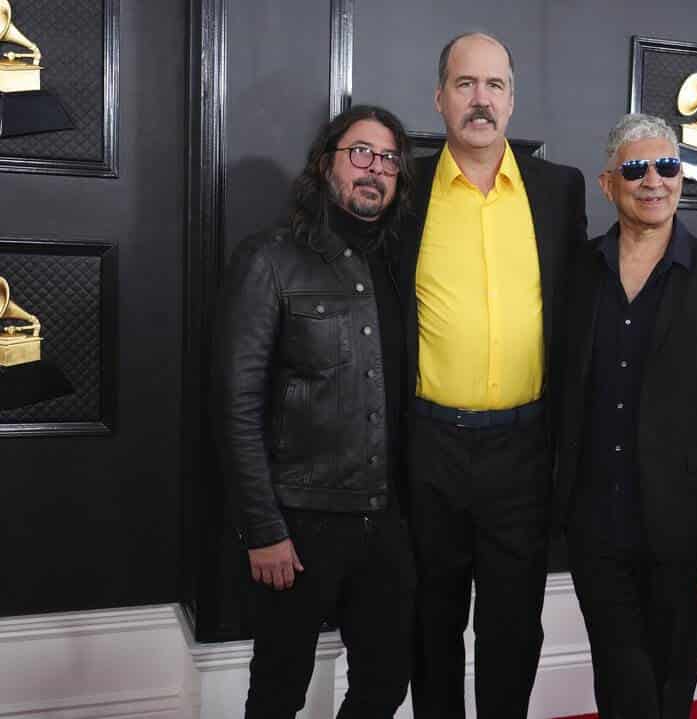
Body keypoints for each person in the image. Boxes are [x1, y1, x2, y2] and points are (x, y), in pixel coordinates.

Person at [395, 31, 587, 719]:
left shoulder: (557, 190)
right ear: (440, 97)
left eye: (495, 85)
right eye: (466, 84)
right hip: (427, 447)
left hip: (523, 450)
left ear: (513, 99)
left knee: (513, 626)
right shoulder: (404, 186)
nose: (481, 99)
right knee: (430, 622)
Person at [555, 113, 697, 718]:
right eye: (636, 168)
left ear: (682, 176)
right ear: (608, 183)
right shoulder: (578, 272)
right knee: (619, 680)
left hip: (684, 532)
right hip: (595, 525)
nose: (654, 181)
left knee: (669, 688)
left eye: (667, 166)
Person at [213, 105, 416, 719]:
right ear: (326, 163)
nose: (374, 169)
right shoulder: (269, 259)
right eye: (360, 153)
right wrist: (264, 529)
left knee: (385, 684)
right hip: (299, 526)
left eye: (387, 159)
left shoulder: (401, 264)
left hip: (386, 520)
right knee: (277, 692)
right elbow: (235, 404)